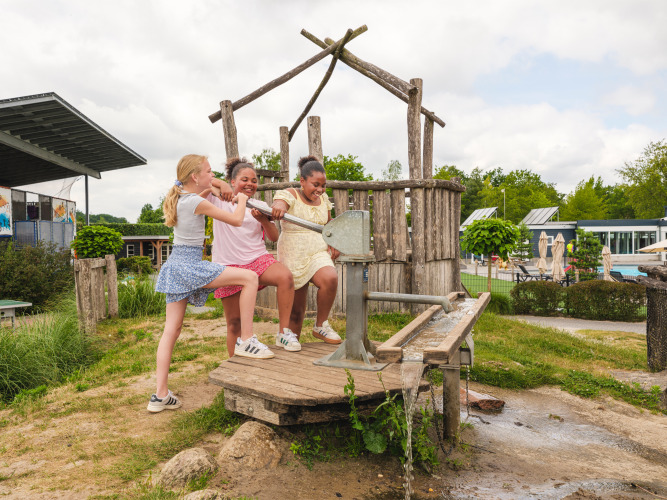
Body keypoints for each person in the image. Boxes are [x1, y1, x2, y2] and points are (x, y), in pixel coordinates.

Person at [148, 154, 272, 414]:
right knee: (249, 277)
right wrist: (241, 200)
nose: (212, 174)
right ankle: (246, 340)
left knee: (171, 330)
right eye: (208, 171)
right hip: (190, 264)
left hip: (175, 265)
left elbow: (207, 189)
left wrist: (218, 186)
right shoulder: (194, 201)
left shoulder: (183, 196)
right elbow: (237, 220)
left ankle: (160, 395)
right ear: (195, 176)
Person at [207, 157, 298, 355]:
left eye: (254, 181)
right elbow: (199, 180)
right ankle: (234, 368)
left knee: (285, 277)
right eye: (244, 180)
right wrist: (221, 184)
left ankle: (283, 332)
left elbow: (274, 236)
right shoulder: (218, 199)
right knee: (234, 323)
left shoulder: (258, 205)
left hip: (257, 259)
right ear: (232, 181)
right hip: (229, 265)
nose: (250, 184)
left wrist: (264, 220)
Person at [270, 155, 342, 344]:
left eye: (323, 185)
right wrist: (278, 206)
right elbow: (280, 203)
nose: (320, 190)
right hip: (294, 254)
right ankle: (290, 342)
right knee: (296, 311)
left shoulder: (324, 199)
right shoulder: (290, 194)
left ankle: (321, 325)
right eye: (315, 184)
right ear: (302, 181)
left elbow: (329, 224)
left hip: (318, 252)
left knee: (330, 277)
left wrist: (334, 241)